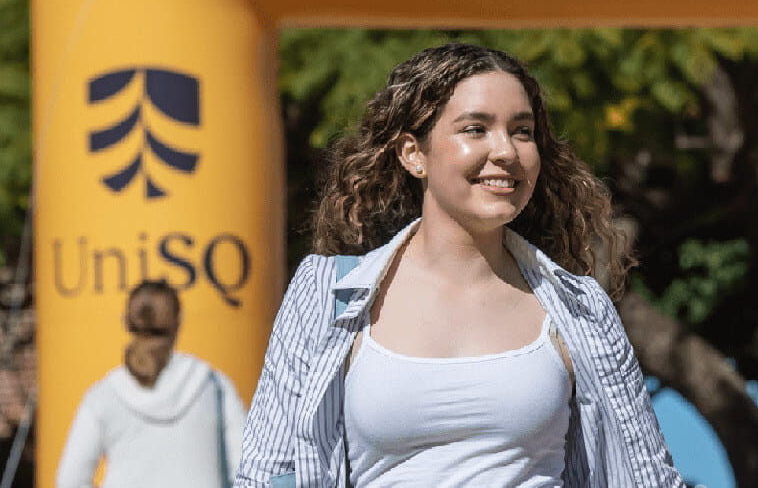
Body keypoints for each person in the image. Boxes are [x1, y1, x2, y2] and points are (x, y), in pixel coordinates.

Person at [235, 42, 680, 487]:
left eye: (522, 131)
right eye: (476, 129)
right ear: (413, 154)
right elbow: (266, 473)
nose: (506, 151)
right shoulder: (327, 294)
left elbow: (647, 479)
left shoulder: (580, 309)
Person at [57, 281, 246, 488]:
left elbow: (69, 481)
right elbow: (249, 468)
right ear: (178, 322)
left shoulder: (102, 395)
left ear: (125, 322)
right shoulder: (215, 385)